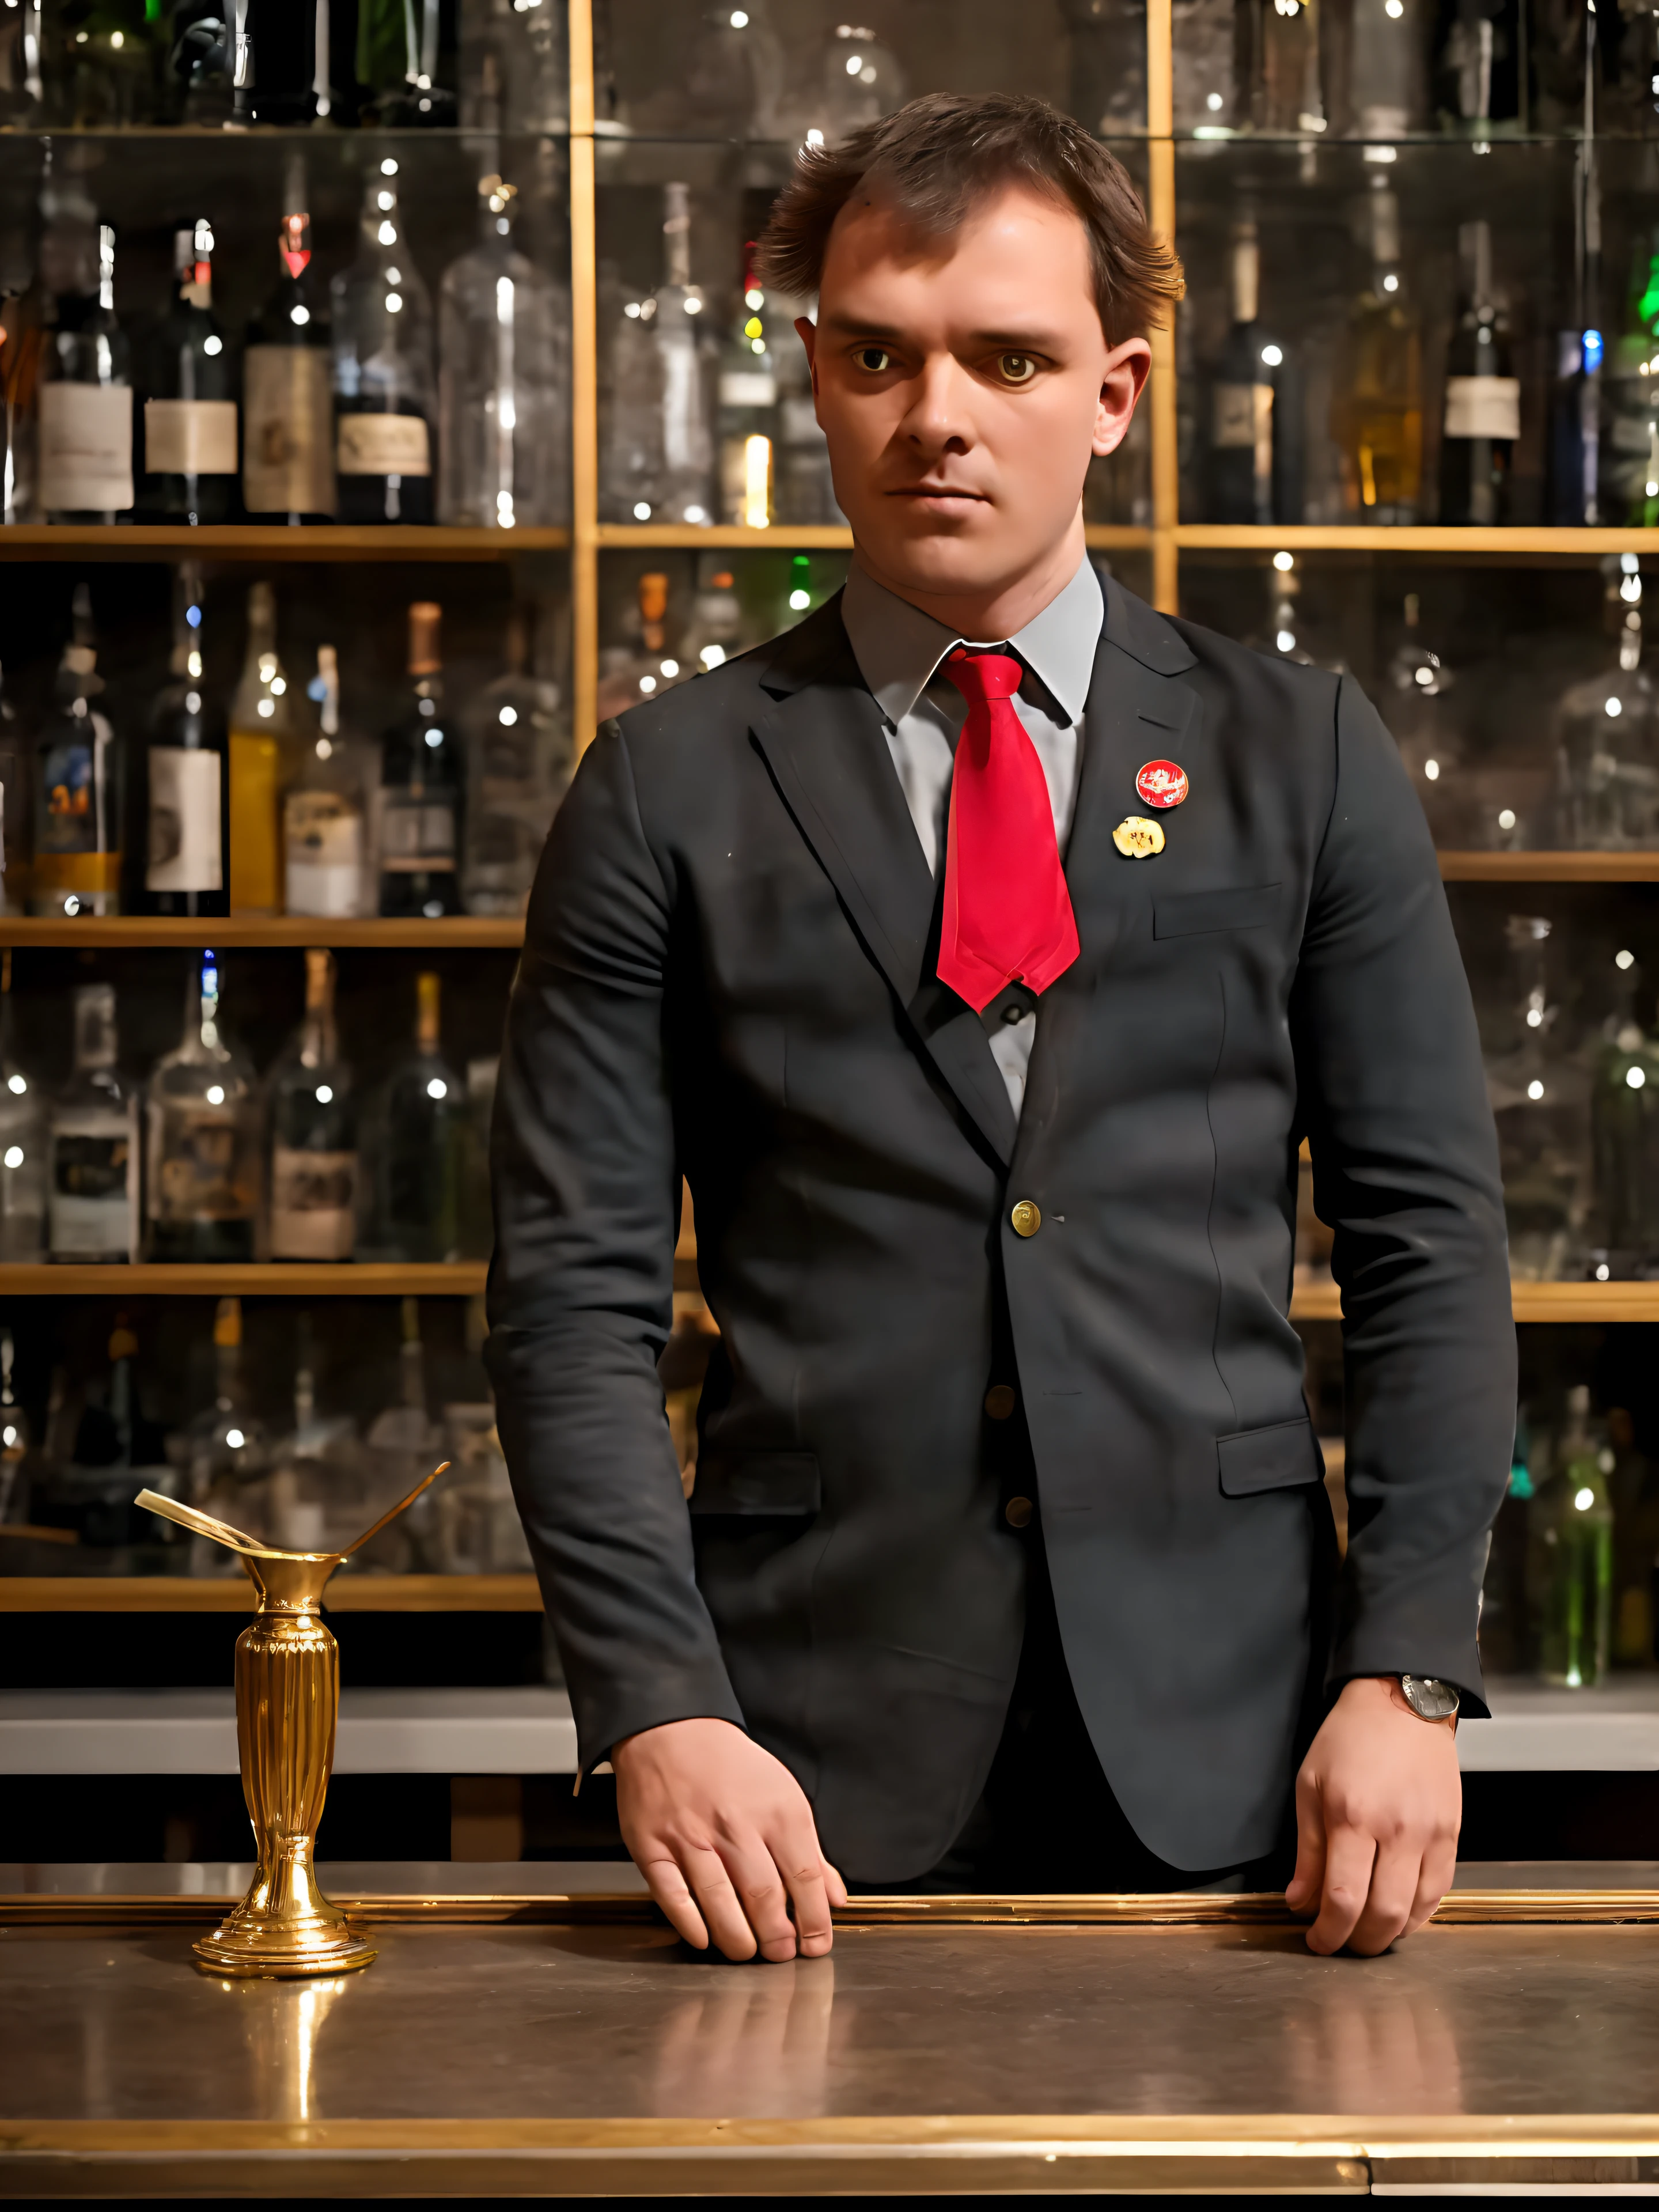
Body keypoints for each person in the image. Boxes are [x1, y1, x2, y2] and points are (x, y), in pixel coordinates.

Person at [487, 93, 1514, 1966]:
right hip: (793, 1773)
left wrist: (1414, 1675)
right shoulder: (662, 786)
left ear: (1113, 393)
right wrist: (654, 1701)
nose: (933, 415)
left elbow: (1430, 1246)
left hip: (1255, 1754)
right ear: (815, 373)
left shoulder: (1305, 753)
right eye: (877, 355)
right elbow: (572, 1300)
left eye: (1007, 358)